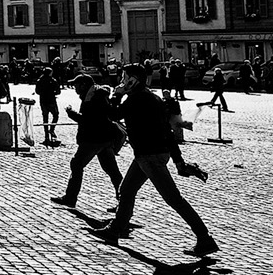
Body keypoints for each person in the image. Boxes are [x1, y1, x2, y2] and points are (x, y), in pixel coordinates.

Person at [91, 65, 220, 258]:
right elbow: (167, 132)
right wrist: (178, 160)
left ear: (133, 80)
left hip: (149, 156)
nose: (122, 81)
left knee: (173, 198)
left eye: (125, 78)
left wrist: (116, 95)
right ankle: (115, 230)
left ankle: (205, 238)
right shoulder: (153, 98)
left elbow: (113, 114)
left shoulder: (136, 99)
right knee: (126, 189)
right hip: (152, 154)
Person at [51, 75, 125, 208]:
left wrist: (71, 114)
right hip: (104, 139)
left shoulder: (93, 97)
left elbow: (89, 120)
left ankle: (70, 198)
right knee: (112, 171)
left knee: (77, 164)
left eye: (76, 85)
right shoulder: (94, 94)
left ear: (84, 84)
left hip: (93, 139)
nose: (75, 88)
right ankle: (124, 202)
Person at [34, 67, 62, 147]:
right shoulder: (53, 80)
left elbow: (37, 91)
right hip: (51, 101)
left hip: (43, 101)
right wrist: (53, 92)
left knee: (45, 118)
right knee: (56, 115)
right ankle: (52, 129)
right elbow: (58, 91)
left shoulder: (40, 80)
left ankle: (46, 136)